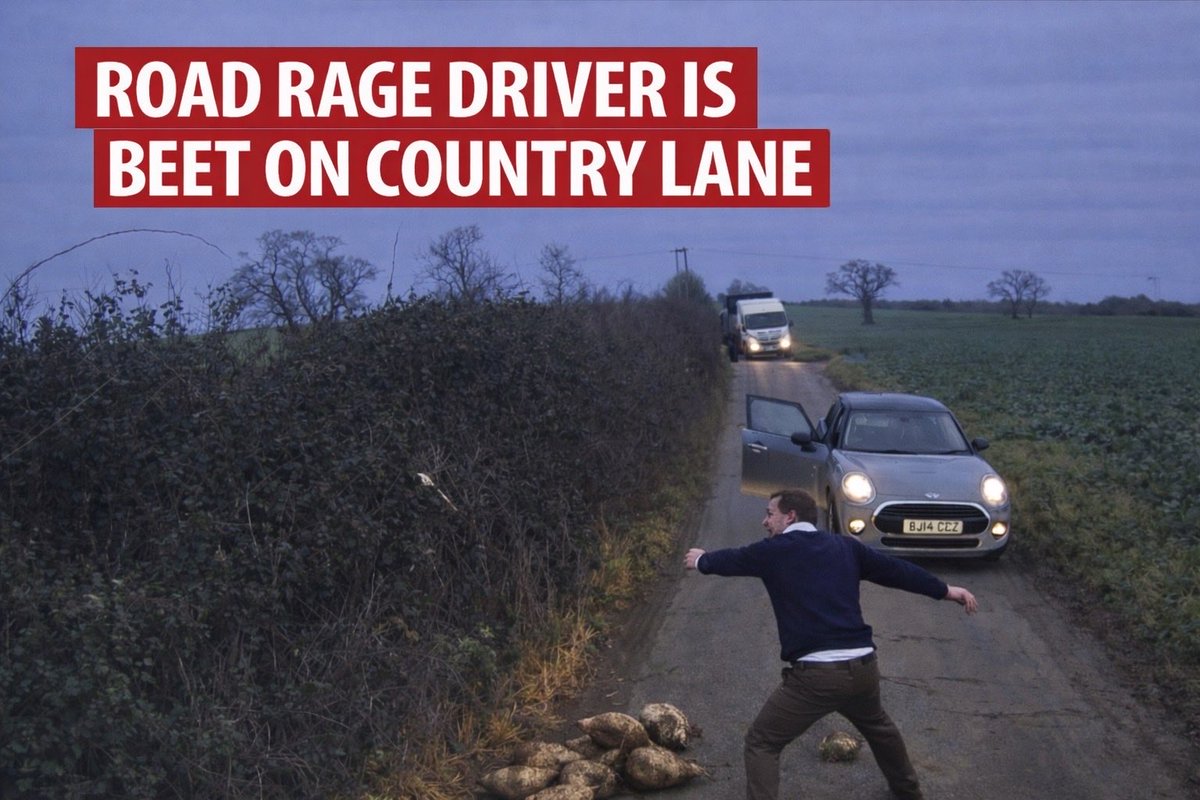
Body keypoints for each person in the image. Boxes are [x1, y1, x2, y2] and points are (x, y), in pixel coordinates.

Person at [684, 488, 977, 800]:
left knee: (762, 741)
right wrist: (945, 590)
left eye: (770, 514)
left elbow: (733, 559)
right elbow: (897, 571)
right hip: (863, 669)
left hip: (816, 677)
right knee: (879, 728)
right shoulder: (845, 547)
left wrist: (701, 559)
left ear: (790, 516)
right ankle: (908, 792)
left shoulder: (774, 551)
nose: (764, 521)